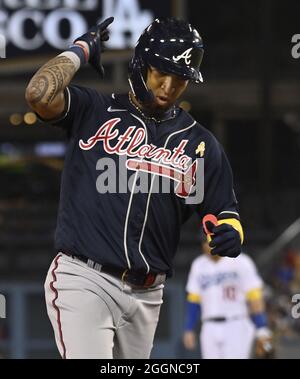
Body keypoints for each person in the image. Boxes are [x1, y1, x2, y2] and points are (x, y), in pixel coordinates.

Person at [25, 16, 244, 359]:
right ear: (141, 64)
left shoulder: (200, 144)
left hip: (148, 294)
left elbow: (223, 210)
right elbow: (39, 94)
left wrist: (231, 230)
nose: (170, 87)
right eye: (162, 73)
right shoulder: (94, 110)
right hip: (85, 278)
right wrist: (80, 51)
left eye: (181, 79)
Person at [182, 236, 273, 359]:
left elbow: (255, 297)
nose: (207, 246)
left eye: (210, 242)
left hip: (236, 323)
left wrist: (261, 327)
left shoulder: (241, 261)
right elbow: (194, 300)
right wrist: (189, 328)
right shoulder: (198, 265)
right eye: (204, 242)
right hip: (209, 326)